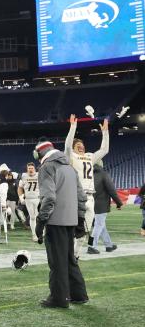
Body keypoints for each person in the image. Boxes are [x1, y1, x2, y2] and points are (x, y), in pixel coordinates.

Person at [33, 138, 88, 308]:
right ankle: (78, 294)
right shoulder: (70, 168)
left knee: (57, 261)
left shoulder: (46, 168)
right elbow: (81, 197)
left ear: (39, 153)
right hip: (71, 220)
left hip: (55, 220)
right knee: (69, 258)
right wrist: (80, 220)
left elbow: (49, 198)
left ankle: (59, 298)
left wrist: (40, 222)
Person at [65, 114, 109, 259]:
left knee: (84, 232)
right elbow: (67, 146)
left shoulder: (90, 156)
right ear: (73, 148)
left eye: (82, 145)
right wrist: (73, 127)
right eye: (78, 145)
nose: (81, 146)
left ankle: (74, 257)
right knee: (75, 230)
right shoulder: (71, 156)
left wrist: (105, 132)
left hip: (91, 197)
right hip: (77, 196)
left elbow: (104, 150)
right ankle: (69, 256)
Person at [88, 162, 122, 253]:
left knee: (101, 226)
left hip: (90, 204)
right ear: (101, 164)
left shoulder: (88, 174)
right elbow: (112, 190)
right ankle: (91, 246)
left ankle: (108, 245)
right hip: (101, 205)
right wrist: (119, 203)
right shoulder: (104, 174)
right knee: (98, 225)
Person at [19, 162, 41, 242]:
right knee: (32, 217)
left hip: (37, 198)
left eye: (32, 168)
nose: (30, 170)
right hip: (28, 199)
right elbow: (20, 188)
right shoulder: (24, 176)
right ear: (27, 169)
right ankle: (34, 234)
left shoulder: (39, 175)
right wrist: (21, 197)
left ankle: (40, 233)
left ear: (34, 168)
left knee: (39, 216)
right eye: (29, 168)